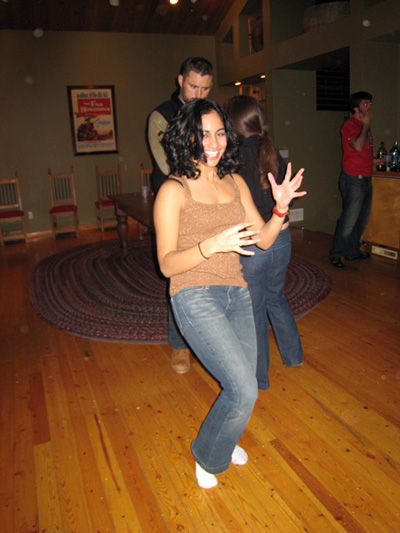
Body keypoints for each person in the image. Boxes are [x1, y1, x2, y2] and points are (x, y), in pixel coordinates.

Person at [154, 98, 305, 489]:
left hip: (236, 293)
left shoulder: (235, 182)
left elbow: (264, 240)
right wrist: (212, 245)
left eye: (219, 133)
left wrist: (280, 210)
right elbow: (166, 265)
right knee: (243, 388)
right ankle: (208, 455)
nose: (213, 142)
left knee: (243, 386)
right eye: (202, 134)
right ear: (186, 137)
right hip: (193, 294)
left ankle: (221, 439)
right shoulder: (173, 190)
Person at [225, 95, 303, 391]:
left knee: (254, 310)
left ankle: (259, 378)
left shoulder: (231, 157)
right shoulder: (272, 150)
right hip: (282, 238)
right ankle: (294, 357)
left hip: (254, 244)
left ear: (231, 124)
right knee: (276, 297)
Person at [147, 57, 214, 374]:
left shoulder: (211, 114)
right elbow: (168, 164)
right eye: (193, 86)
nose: (199, 94)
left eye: (205, 88)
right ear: (180, 81)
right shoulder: (161, 116)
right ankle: (179, 345)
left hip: (209, 197)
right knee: (179, 270)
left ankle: (209, 332)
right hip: (176, 200)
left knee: (211, 268)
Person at [329, 91, 381, 268]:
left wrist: (374, 161)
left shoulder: (364, 126)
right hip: (353, 179)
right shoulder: (350, 125)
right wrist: (365, 125)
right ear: (356, 108)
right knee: (349, 219)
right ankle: (336, 254)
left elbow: (359, 153)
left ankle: (352, 251)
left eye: (370, 104)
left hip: (366, 177)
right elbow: (357, 146)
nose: (370, 107)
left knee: (362, 219)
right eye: (366, 104)